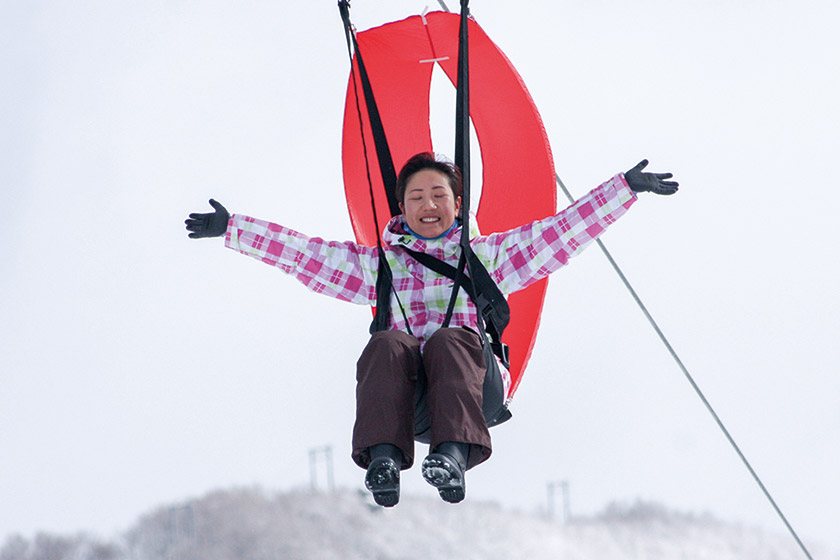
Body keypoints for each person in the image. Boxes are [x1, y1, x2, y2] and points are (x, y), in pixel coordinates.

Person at [185, 153, 678, 507]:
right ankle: (383, 458)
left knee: (449, 338)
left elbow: (560, 233)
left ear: (457, 205)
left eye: (438, 195)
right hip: (413, 403)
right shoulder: (380, 266)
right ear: (402, 208)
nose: (428, 204)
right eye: (416, 196)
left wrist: (624, 190)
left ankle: (454, 456)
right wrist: (234, 229)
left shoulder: (485, 256)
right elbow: (305, 255)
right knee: (388, 343)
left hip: (471, 391)